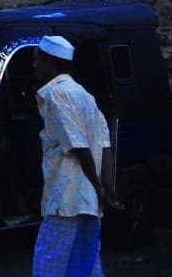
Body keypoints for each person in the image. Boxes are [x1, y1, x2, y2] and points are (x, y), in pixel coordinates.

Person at [32, 35, 118, 276]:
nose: (34, 65)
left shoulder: (54, 94)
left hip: (66, 196)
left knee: (50, 262)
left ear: (51, 61)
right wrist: (106, 189)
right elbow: (104, 145)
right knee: (87, 263)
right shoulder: (85, 96)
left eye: (38, 60)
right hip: (89, 200)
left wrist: (100, 188)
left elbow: (78, 146)